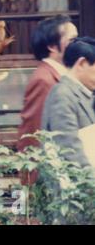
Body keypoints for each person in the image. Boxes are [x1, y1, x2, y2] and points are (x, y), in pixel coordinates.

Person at [18, 15, 78, 148]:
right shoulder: (43, 80)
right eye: (73, 40)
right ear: (52, 46)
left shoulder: (60, 74)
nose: (79, 45)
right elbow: (33, 133)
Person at [42, 37, 95, 167]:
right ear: (82, 64)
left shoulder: (80, 93)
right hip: (75, 182)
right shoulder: (62, 95)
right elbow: (68, 148)